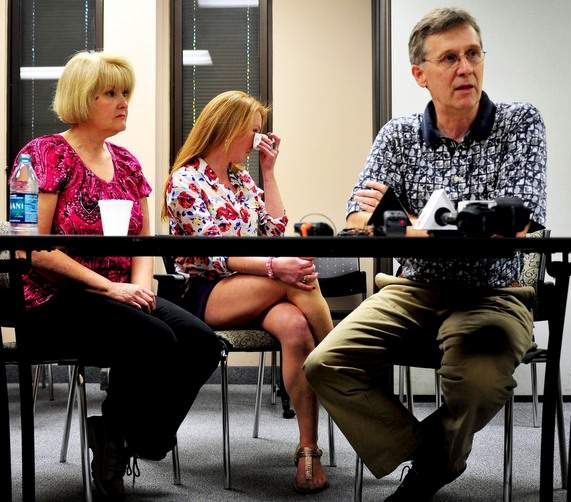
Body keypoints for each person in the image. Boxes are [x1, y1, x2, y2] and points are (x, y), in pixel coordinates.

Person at [304, 7, 546, 502]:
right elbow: (357, 217)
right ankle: (431, 455)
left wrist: (408, 225)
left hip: (493, 291)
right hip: (413, 288)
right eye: (451, 58)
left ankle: (424, 475)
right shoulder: (398, 134)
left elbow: (515, 224)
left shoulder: (519, 123)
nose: (466, 68)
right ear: (420, 74)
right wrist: (432, 227)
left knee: (475, 386)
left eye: (474, 54)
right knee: (325, 364)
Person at [12, 51, 220, 501]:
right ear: (82, 99)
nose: (123, 102)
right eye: (110, 93)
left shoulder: (126, 163)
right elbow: (30, 247)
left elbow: (142, 241)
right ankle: (116, 444)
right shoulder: (42, 155)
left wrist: (141, 288)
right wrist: (111, 288)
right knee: (153, 338)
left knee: (203, 344)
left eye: (125, 93)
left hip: (119, 292)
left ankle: (128, 436)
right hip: (54, 299)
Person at [163, 90, 333, 494]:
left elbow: (274, 230)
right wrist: (276, 268)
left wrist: (269, 172)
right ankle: (343, 360)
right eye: (254, 132)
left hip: (254, 288)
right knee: (295, 277)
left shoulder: (241, 178)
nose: (259, 140)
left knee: (294, 328)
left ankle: (308, 450)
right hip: (206, 292)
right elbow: (218, 253)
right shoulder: (186, 180)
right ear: (229, 128)